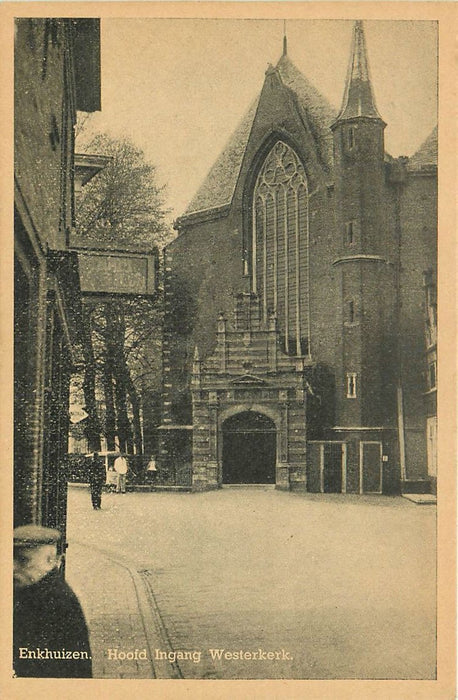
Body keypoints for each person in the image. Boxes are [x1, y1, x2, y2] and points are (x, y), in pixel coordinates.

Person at [13, 525, 92, 678]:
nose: (13, 567)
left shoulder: (58, 601)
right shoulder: (28, 590)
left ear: (50, 561)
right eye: (11, 558)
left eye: (23, 560)